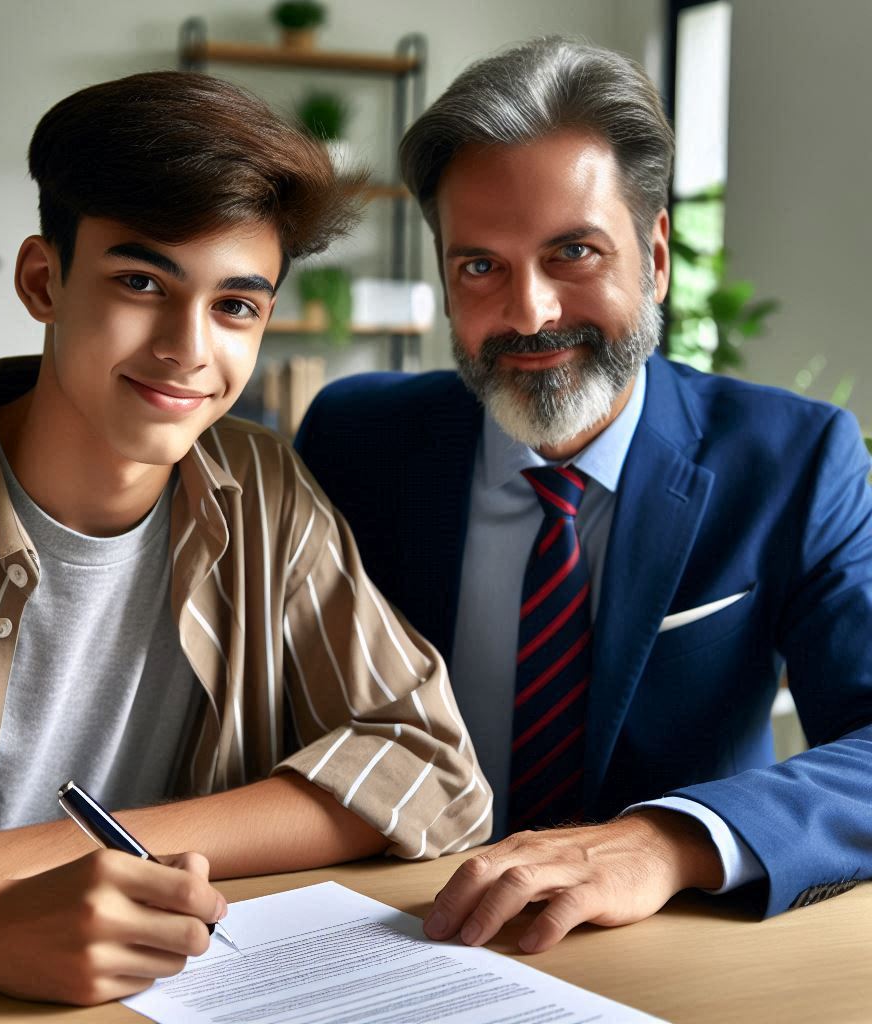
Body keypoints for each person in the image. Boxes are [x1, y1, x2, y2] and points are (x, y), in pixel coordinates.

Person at [0, 72, 490, 1005]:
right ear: (43, 280)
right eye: (141, 282)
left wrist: (56, 847)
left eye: (236, 305)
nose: (190, 347)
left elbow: (434, 770)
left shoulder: (263, 490)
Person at [296, 36, 872, 955]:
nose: (529, 313)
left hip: (667, 948)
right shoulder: (353, 440)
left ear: (655, 255)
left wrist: (667, 840)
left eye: (572, 252)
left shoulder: (795, 458)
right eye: (479, 265)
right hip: (392, 936)